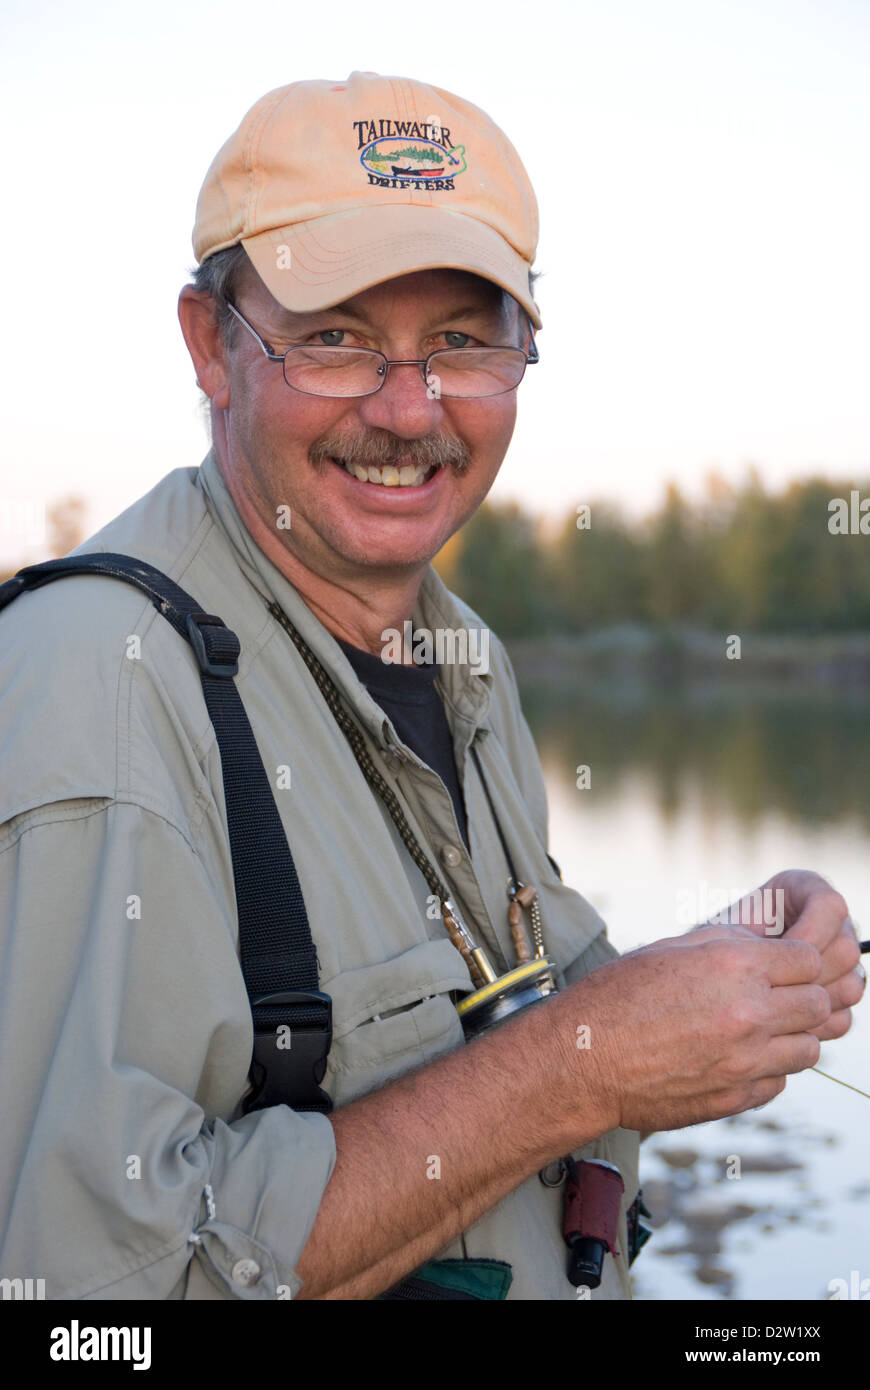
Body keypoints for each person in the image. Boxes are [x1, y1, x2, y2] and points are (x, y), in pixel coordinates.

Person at [0, 70, 863, 1303]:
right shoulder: (99, 683)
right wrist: (586, 1066)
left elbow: (517, 1012)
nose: (410, 410)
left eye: (462, 339)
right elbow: (82, 1303)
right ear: (211, 347)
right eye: (336, 335)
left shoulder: (466, 661)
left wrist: (733, 968)